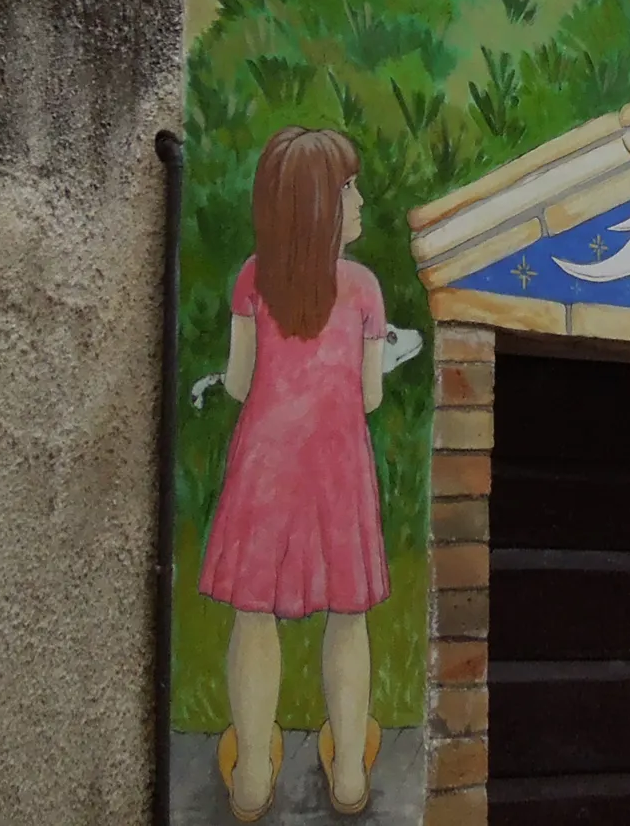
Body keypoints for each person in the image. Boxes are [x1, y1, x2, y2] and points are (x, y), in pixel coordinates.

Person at [200, 128, 389, 820]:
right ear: (317, 206)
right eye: (347, 189)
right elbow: (369, 396)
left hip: (266, 466)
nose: (360, 199)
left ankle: (251, 776)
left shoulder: (254, 278)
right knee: (349, 616)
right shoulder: (363, 288)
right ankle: (346, 774)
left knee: (254, 614)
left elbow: (238, 381)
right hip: (339, 468)